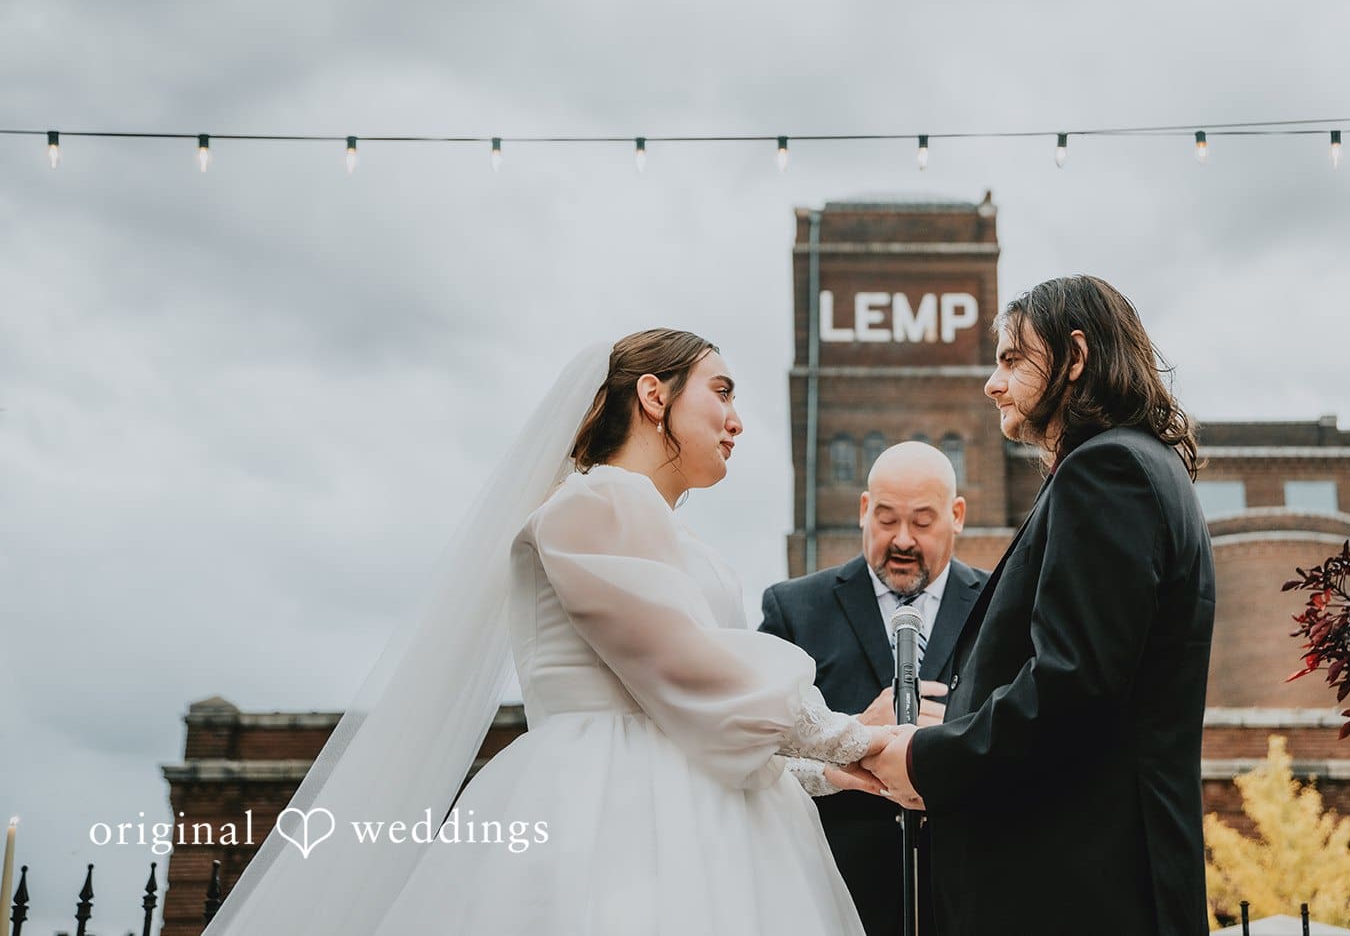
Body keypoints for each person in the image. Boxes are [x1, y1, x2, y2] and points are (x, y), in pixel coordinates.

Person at [204, 329, 887, 935]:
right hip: (609, 808)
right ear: (654, 395)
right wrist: (859, 738)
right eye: (722, 391)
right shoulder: (593, 502)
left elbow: (700, 715)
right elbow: (689, 669)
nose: (736, 421)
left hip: (706, 808)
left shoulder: (670, 533)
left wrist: (825, 768)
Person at [861, 276, 1216, 935]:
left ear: (1075, 357)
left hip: (1079, 895)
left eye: (1011, 359)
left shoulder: (1108, 472)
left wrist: (925, 759)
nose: (992, 385)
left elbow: (1073, 685)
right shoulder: (1138, 468)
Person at [758, 441, 987, 936]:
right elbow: (755, 753)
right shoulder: (794, 610)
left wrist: (958, 739)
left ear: (957, 516)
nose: (902, 539)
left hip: (970, 899)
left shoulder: (1000, 607)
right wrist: (856, 732)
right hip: (837, 900)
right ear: (864, 510)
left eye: (922, 522)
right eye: (886, 519)